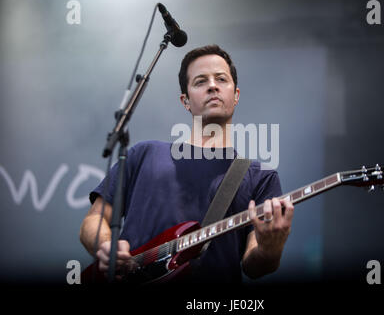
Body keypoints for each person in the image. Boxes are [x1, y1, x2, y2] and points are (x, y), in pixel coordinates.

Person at [79, 44, 294, 283]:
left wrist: (270, 249)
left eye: (221, 79)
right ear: (186, 101)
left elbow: (255, 266)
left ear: (236, 95)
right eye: (200, 81)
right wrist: (106, 246)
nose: (212, 86)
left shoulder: (260, 176)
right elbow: (93, 221)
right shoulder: (144, 154)